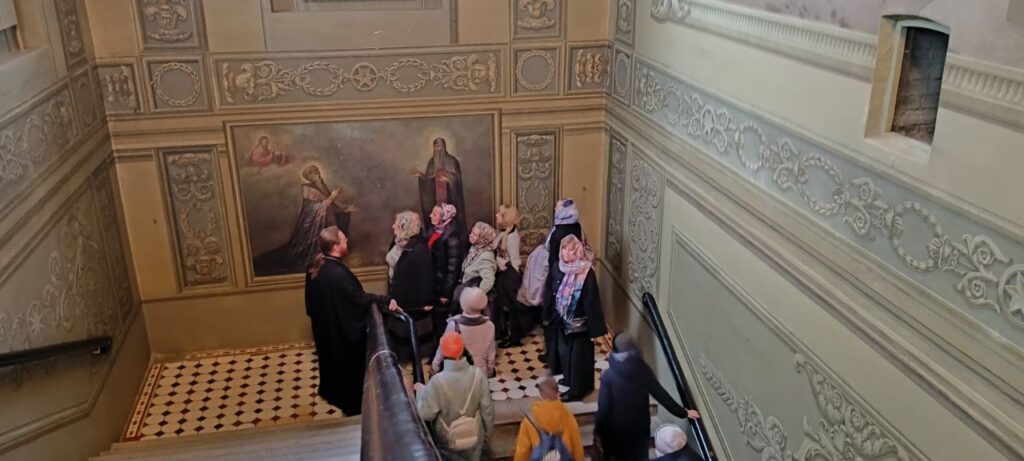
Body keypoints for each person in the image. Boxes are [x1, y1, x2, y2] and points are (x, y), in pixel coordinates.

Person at [304, 226, 384, 416]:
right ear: (335, 246)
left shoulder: (317, 265)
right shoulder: (338, 274)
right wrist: (384, 300)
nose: (347, 241)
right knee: (346, 367)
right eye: (344, 240)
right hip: (340, 331)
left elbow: (310, 303)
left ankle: (330, 392)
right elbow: (358, 299)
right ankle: (351, 404)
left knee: (330, 363)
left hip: (325, 328)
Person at [595, 333, 701, 461]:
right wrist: (683, 412)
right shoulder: (643, 370)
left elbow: (604, 409)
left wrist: (599, 432)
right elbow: (661, 394)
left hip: (617, 432)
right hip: (640, 429)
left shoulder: (609, 376)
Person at [254, 164, 356, 276]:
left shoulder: (322, 186)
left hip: (329, 222)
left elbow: (332, 207)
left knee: (333, 245)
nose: (317, 175)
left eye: (317, 172)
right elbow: (317, 208)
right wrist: (332, 196)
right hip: (315, 226)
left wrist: (345, 210)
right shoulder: (307, 188)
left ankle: (332, 257)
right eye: (314, 173)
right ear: (309, 177)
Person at [416, 332, 495, 461]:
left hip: (448, 437)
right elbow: (487, 409)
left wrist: (420, 392)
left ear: (443, 353)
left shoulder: (437, 382)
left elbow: (426, 414)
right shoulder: (478, 375)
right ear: (462, 350)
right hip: (475, 433)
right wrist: (488, 432)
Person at [547, 235, 605, 402]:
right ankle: (569, 379)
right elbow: (551, 290)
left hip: (580, 325)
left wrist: (594, 331)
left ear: (578, 251)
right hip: (562, 321)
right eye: (564, 248)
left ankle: (577, 390)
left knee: (579, 359)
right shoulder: (558, 266)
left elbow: (592, 301)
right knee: (565, 354)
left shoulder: (586, 272)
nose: (567, 252)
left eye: (571, 250)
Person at [384, 211, 436, 363]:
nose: (393, 226)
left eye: (396, 223)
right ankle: (402, 359)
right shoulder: (397, 241)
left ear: (404, 226)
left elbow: (425, 276)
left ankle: (418, 364)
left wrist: (426, 302)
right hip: (399, 296)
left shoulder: (419, 247)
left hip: (414, 301)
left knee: (416, 336)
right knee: (400, 335)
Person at [543, 199, 583, 365]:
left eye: (557, 206)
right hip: (572, 278)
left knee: (552, 317)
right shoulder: (577, 226)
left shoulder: (558, 232)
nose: (555, 208)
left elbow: (552, 255)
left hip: (558, 275)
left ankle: (552, 356)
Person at [513, 375, 585, 461]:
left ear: (540, 394)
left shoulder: (530, 419)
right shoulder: (567, 415)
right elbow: (576, 444)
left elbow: (522, 450)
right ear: (557, 394)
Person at [432, 287, 496, 377]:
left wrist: (435, 369)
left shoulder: (454, 325)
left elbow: (442, 350)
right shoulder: (490, 325)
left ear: (462, 304)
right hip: (480, 374)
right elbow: (491, 354)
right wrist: (490, 372)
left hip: (460, 374)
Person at [427, 203, 466, 349]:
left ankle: (445, 352)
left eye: (434, 214)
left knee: (443, 323)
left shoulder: (452, 238)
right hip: (435, 283)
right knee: (436, 321)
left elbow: (453, 268)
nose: (430, 215)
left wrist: (446, 293)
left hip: (443, 287)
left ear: (444, 217)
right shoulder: (435, 232)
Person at [415, 137, 467, 234]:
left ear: (444, 146)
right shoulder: (431, 162)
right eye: (436, 147)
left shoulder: (452, 161)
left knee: (450, 225)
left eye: (440, 146)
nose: (438, 149)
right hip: (436, 198)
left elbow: (458, 180)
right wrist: (422, 177)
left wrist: (449, 180)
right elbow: (429, 179)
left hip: (450, 197)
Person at [493, 205, 526, 347]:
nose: (496, 215)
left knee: (513, 307)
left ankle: (514, 337)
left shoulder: (512, 237)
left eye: (499, 213)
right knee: (505, 306)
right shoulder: (502, 232)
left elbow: (514, 261)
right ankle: (507, 334)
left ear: (506, 218)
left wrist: (502, 265)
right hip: (503, 275)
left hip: (509, 275)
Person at [454, 221, 497, 313]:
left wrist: (475, 297)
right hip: (466, 294)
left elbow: (488, 281)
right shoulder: (475, 248)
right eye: (472, 232)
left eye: (474, 234)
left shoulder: (486, 256)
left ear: (482, 238)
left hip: (473, 302)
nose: (470, 235)